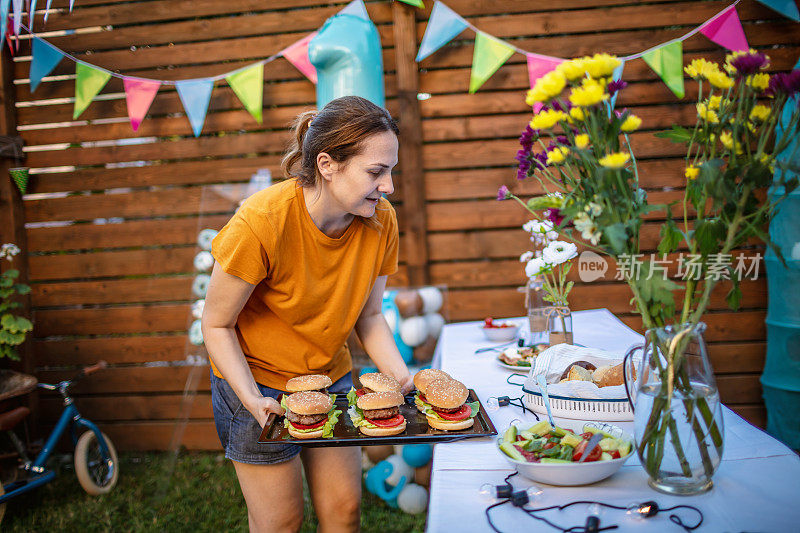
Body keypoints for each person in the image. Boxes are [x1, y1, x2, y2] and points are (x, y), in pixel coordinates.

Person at [202, 95, 413, 533]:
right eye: (376, 172)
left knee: (344, 515)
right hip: (258, 382)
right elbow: (216, 325)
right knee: (281, 523)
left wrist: (401, 375)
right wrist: (250, 398)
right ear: (327, 164)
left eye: (390, 170)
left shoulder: (381, 220)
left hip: (328, 374)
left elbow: (369, 316)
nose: (389, 186)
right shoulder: (261, 221)